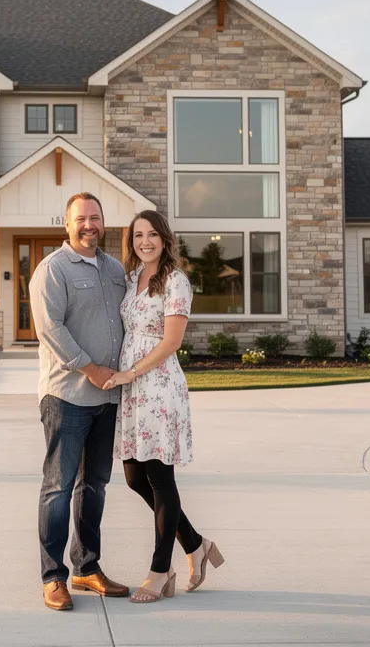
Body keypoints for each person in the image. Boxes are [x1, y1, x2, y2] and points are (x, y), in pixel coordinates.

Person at [108, 209, 224, 604]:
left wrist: (130, 373)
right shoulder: (130, 279)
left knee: (159, 479)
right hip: (133, 391)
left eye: (152, 235)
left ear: (165, 239)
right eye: (138, 235)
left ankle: (160, 570)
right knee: (134, 478)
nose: (145, 242)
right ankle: (195, 544)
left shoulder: (175, 281)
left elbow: (171, 341)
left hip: (157, 387)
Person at [29, 192, 131, 611]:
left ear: (103, 223)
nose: (88, 225)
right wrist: (91, 369)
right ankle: (54, 577)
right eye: (80, 219)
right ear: (66, 225)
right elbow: (50, 328)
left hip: (107, 399)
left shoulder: (115, 269)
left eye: (95, 218)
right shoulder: (52, 269)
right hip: (67, 397)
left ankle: (87, 567)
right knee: (59, 487)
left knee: (96, 486)